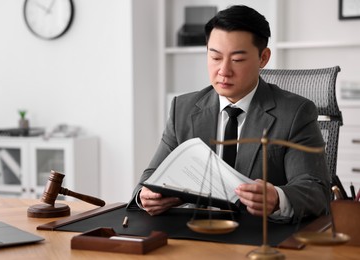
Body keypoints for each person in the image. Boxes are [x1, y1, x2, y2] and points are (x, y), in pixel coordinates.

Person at [128, 5, 330, 223]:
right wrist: (146, 197)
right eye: (215, 57)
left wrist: (278, 198)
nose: (223, 70)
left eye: (237, 60)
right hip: (195, 235)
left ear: (263, 58)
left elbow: (316, 192)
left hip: (260, 239)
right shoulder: (183, 109)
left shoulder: (294, 113)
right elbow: (149, 179)